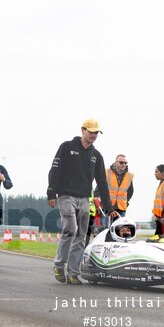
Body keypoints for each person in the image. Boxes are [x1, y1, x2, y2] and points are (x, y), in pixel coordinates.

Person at [47, 119, 117, 285]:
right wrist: (51, 192)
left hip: (85, 198)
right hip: (66, 196)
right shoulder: (67, 147)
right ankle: (59, 264)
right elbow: (55, 169)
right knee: (70, 228)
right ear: (83, 130)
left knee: (81, 235)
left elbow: (101, 182)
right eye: (91, 132)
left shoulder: (96, 156)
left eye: (96, 133)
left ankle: (73, 273)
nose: (93, 135)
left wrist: (108, 207)